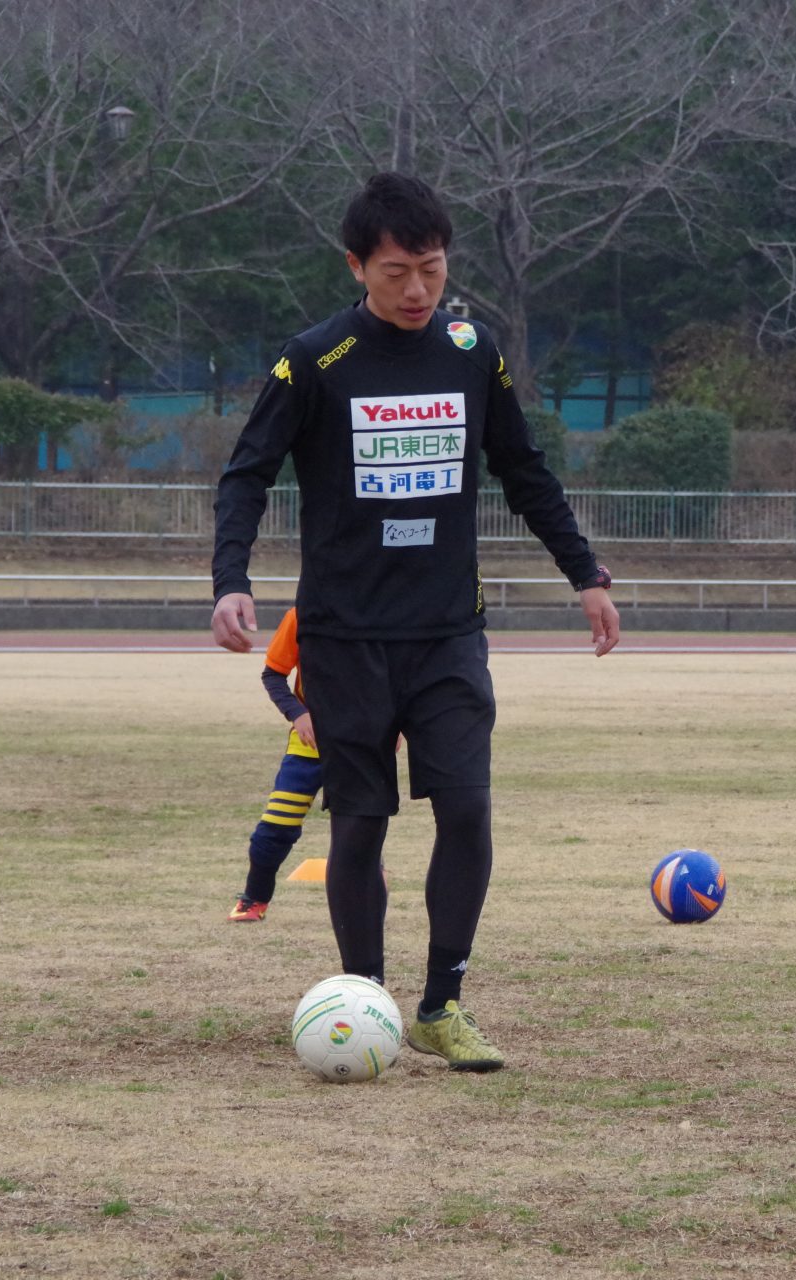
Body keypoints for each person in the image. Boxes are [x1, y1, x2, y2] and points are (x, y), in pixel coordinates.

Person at [211, 172, 619, 1072]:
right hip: (344, 639)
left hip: (446, 635)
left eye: (430, 268)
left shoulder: (473, 352)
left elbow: (524, 468)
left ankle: (442, 1003)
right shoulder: (315, 360)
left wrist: (583, 572)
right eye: (396, 271)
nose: (416, 290)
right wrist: (230, 580)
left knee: (467, 811)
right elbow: (246, 473)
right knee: (360, 822)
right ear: (357, 265)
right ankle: (367, 1001)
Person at [225, 606, 388, 924]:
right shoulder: (300, 616)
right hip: (308, 748)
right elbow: (273, 674)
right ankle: (254, 898)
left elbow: (399, 679)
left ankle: (371, 887)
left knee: (360, 828)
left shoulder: (383, 612)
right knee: (273, 831)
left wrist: (395, 725)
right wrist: (298, 714)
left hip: (364, 746)